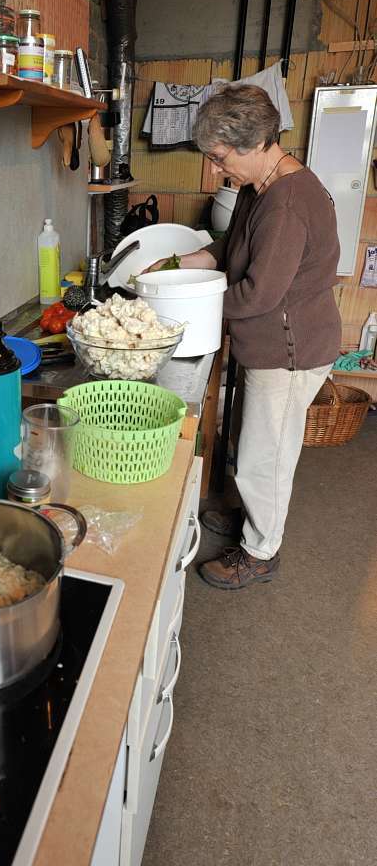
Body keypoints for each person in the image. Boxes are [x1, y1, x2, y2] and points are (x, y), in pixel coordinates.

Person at [150, 84, 341, 590]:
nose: (215, 170)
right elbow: (230, 245)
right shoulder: (262, 187)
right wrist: (177, 264)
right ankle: (252, 519)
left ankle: (261, 551)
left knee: (267, 453)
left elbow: (257, 295)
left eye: (218, 158)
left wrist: (178, 314)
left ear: (253, 143)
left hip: (290, 348)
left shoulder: (287, 205)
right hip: (270, 341)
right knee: (254, 442)